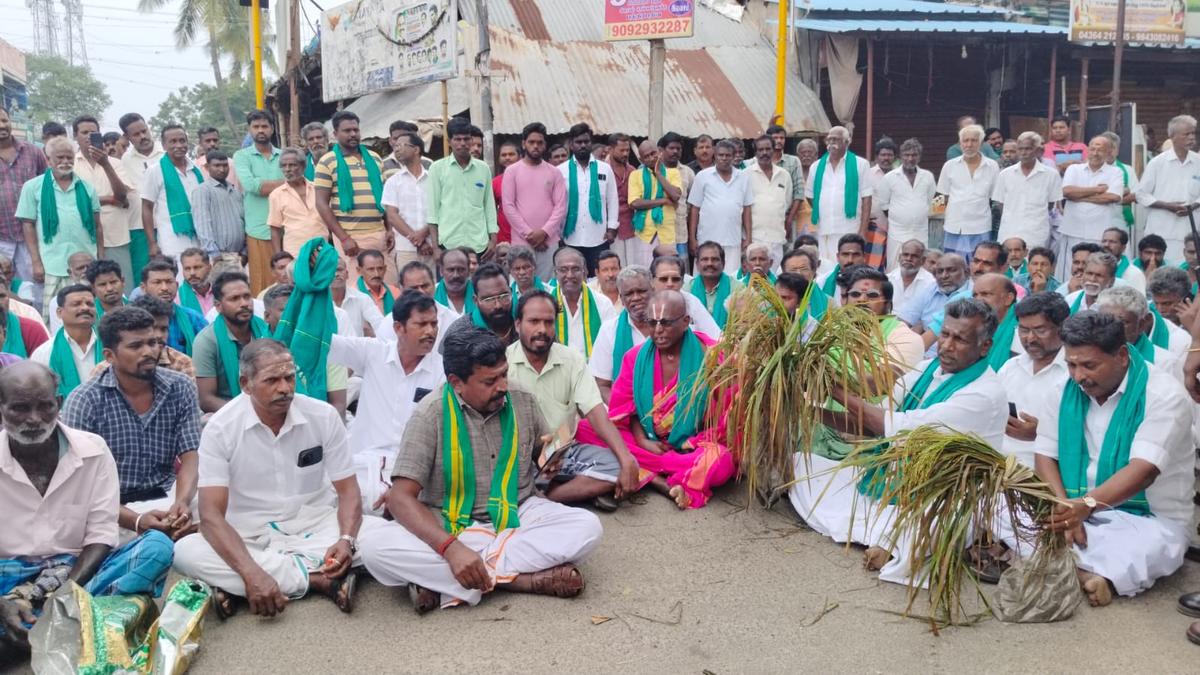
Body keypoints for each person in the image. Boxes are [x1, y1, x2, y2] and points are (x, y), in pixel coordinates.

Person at [359, 324, 602, 612]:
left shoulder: (521, 398)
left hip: (518, 511)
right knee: (374, 549)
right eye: (489, 381)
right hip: (450, 522)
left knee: (588, 527)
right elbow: (400, 498)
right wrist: (450, 548)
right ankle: (520, 580)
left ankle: (449, 581)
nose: (502, 386)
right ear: (456, 382)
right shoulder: (429, 415)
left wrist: (549, 459)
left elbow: (539, 451)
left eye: (504, 374)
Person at [792, 298, 1006, 583]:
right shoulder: (928, 368)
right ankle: (885, 538)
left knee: (927, 525)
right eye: (944, 334)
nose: (946, 345)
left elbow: (892, 425)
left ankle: (893, 542)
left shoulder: (984, 394)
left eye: (960, 339)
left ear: (985, 347)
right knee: (800, 467)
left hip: (946, 489)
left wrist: (835, 391)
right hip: (899, 473)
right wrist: (812, 411)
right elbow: (877, 424)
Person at [174, 339, 384, 617]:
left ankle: (243, 584)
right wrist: (250, 571)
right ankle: (318, 579)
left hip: (317, 525)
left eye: (289, 377)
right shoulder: (221, 428)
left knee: (381, 537)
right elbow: (211, 515)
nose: (284, 388)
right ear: (245, 384)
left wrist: (346, 539)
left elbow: (348, 491)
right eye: (272, 380)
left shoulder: (322, 416)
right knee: (186, 551)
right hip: (248, 534)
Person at [0, 362, 173, 663]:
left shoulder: (93, 450)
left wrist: (63, 594)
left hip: (77, 571)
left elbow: (101, 535)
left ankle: (34, 630)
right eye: (20, 408)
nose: (34, 419)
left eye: (44, 406)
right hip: (8, 575)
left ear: (59, 404)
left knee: (156, 548)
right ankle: (78, 625)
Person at [1028, 312, 1193, 606]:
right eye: (1071, 364)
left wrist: (1086, 506)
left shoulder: (1164, 395)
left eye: (1089, 365)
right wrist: (1065, 508)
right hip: (1073, 505)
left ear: (1121, 356)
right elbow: (1045, 453)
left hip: (1144, 518)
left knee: (1152, 547)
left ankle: (1059, 562)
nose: (1079, 376)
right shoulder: (1062, 390)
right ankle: (1085, 573)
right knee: (1002, 508)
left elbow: (1144, 471)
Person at [63, 305, 200, 542]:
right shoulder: (84, 400)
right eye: (136, 346)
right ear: (109, 356)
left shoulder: (180, 387)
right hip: (110, 508)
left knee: (218, 512)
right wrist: (135, 520)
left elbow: (190, 455)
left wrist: (181, 503)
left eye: (153, 342)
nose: (149, 351)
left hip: (166, 497)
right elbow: (79, 485)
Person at [507, 291, 638, 511]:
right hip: (519, 456)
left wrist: (626, 459)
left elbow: (595, 412)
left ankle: (545, 500)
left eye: (549, 322)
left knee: (618, 465)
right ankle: (568, 492)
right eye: (534, 321)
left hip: (562, 452)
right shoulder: (504, 363)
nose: (542, 329)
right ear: (518, 324)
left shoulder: (571, 359)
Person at [604, 290, 732, 509]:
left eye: (665, 322)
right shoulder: (634, 357)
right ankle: (661, 480)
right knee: (589, 429)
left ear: (686, 322)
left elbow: (724, 416)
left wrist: (691, 442)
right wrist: (643, 440)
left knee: (722, 461)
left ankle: (644, 470)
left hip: (693, 444)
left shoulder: (713, 356)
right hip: (648, 442)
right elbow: (627, 410)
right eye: (652, 323)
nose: (658, 330)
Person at [328, 289, 443, 515]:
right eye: (421, 324)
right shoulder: (373, 353)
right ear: (398, 328)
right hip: (362, 468)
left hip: (412, 475)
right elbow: (317, 342)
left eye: (434, 324)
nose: (431, 331)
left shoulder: (444, 371)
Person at [14, 136, 102, 318]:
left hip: (85, 263)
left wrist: (100, 256)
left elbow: (98, 226)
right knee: (55, 316)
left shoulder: (86, 188)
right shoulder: (33, 187)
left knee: (88, 313)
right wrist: (36, 262)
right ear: (48, 160)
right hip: (52, 263)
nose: (65, 162)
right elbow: (28, 225)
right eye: (60, 158)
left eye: (69, 157)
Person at [314, 111, 390, 285]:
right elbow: (321, 204)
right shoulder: (327, 162)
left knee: (387, 285)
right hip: (351, 238)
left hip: (380, 235)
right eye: (347, 131)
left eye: (355, 130)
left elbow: (386, 199)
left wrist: (389, 229)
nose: (353, 134)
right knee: (357, 289)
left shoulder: (375, 159)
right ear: (335, 134)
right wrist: (344, 238)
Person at [997, 292, 1071, 468]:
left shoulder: (1074, 373)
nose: (1030, 338)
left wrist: (1040, 434)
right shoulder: (1010, 367)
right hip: (998, 464)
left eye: (1040, 330)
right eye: (1023, 330)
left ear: (1062, 328)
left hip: (1045, 473)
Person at [72, 115, 133, 290]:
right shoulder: (71, 165)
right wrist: (107, 199)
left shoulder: (115, 163)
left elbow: (121, 197)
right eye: (84, 132)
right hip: (83, 236)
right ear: (76, 136)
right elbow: (73, 201)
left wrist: (105, 164)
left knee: (120, 287)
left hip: (115, 234)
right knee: (85, 288)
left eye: (94, 132)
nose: (89, 136)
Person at [193, 271, 268, 412]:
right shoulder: (206, 341)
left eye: (247, 297)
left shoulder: (266, 331)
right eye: (234, 299)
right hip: (230, 415)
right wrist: (251, 412)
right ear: (218, 306)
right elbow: (206, 399)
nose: (244, 304)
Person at [426, 118, 498, 260]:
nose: (462, 143)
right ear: (449, 141)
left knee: (479, 282)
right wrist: (435, 248)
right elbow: (432, 212)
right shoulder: (437, 168)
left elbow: (489, 207)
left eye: (466, 139)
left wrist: (493, 240)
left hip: (479, 244)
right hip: (448, 243)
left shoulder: (483, 169)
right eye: (457, 139)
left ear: (471, 140)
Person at [502, 122, 566, 280]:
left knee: (549, 285)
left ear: (545, 145)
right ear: (523, 144)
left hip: (549, 242)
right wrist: (530, 235)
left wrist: (544, 233)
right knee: (520, 284)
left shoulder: (554, 172)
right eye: (531, 142)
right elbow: (508, 206)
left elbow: (560, 206)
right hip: (521, 241)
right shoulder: (512, 171)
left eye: (540, 142)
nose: (535, 146)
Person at [230, 111, 283, 293]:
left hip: (287, 229)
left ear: (272, 129)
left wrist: (267, 186)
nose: (261, 130)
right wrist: (286, 184)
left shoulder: (284, 156)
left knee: (289, 280)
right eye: (256, 127)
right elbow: (251, 186)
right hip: (258, 230)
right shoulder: (242, 156)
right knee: (262, 286)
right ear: (249, 130)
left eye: (265, 126)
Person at [1137, 115, 1200, 264]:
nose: (1192, 138)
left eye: (1193, 133)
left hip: (1191, 229)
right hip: (1162, 230)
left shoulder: (1198, 161)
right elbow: (1141, 195)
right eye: (1186, 134)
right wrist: (1167, 206)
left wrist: (1194, 205)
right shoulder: (1157, 162)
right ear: (1172, 136)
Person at [1058, 135, 1123, 279]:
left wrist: (1079, 195)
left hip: (1099, 232)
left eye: (1100, 150)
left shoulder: (1115, 172)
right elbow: (1066, 192)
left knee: (1096, 269)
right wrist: (1096, 190)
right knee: (1069, 270)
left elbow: (1113, 197)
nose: (1095, 153)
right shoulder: (1074, 169)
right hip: (1073, 229)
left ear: (1108, 152)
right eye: (1092, 148)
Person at [558, 123, 618, 276]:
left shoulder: (605, 169)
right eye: (579, 142)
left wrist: (611, 228)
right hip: (570, 238)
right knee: (573, 278)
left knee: (599, 279)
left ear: (591, 143)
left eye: (586, 141)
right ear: (571, 145)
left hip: (598, 237)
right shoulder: (561, 171)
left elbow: (612, 199)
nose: (583, 145)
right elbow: (557, 204)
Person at [805, 126, 872, 260]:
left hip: (849, 227)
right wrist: (824, 209)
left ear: (847, 142)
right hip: (825, 228)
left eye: (835, 139)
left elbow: (867, 198)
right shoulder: (816, 166)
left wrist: (863, 231)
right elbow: (810, 196)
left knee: (848, 266)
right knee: (826, 266)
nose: (831, 143)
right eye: (829, 139)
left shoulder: (861, 164)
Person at [589, 266, 653, 402]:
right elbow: (601, 385)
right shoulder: (609, 330)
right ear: (622, 299)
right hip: (625, 413)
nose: (636, 298)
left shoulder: (668, 324)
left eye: (641, 291)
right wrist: (624, 412)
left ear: (653, 291)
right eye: (629, 294)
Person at [937, 124, 1000, 260]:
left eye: (974, 140)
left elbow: (995, 197)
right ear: (960, 143)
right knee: (953, 265)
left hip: (981, 226)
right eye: (965, 141)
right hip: (954, 226)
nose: (969, 144)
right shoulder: (950, 166)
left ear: (981, 143)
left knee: (980, 264)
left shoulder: (992, 166)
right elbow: (941, 196)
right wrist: (937, 220)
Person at [140, 125, 202, 260]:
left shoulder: (196, 170)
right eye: (173, 142)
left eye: (182, 140)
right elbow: (146, 207)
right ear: (163, 145)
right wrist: (152, 243)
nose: (179, 145)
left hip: (200, 236)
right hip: (172, 239)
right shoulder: (155, 171)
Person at [844, 266, 924, 370]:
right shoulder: (832, 330)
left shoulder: (906, 339)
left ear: (887, 304)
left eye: (872, 295)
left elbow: (879, 382)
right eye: (855, 294)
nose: (862, 299)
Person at [992, 131, 1062, 248]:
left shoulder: (1051, 174)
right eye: (1020, 149)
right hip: (1009, 232)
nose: (1024, 153)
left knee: (1036, 265)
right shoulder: (1005, 174)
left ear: (1038, 150)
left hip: (1037, 233)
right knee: (1009, 264)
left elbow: (1050, 204)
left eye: (1028, 149)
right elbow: (1000, 204)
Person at [876, 138, 936, 271]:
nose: (910, 158)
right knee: (894, 268)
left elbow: (929, 199)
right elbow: (884, 204)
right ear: (901, 156)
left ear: (919, 157)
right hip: (897, 233)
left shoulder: (927, 177)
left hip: (920, 232)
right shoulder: (890, 177)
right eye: (907, 155)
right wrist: (901, 216)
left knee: (921, 269)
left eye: (914, 155)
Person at [30, 284, 100, 396]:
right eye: (76, 304)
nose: (85, 308)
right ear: (59, 312)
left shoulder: (111, 344)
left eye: (90, 304)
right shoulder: (44, 352)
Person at [117, 114, 162, 283]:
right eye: (136, 134)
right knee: (143, 276)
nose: (143, 137)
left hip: (167, 225)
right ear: (127, 137)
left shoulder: (165, 154)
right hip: (137, 228)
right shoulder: (123, 161)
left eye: (144, 131)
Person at [382, 130, 433, 271]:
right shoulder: (393, 181)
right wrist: (418, 241)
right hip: (405, 247)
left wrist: (424, 233)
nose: (396, 149)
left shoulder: (434, 179)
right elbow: (392, 215)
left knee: (433, 287)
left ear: (416, 149)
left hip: (432, 246)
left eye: (401, 145)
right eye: (395, 146)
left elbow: (441, 210)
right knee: (409, 289)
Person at [552, 247, 615, 357]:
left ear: (585, 271)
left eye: (575, 269)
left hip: (593, 371)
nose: (570, 275)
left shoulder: (603, 303)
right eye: (563, 270)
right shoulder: (545, 303)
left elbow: (612, 343)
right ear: (555, 273)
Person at [898, 252, 971, 348]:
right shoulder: (930, 289)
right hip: (922, 352)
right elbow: (903, 320)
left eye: (951, 270)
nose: (944, 276)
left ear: (966, 272)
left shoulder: (973, 294)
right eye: (940, 271)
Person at [627, 139, 681, 267]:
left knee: (668, 268)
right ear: (641, 160)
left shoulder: (673, 173)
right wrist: (663, 200)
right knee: (646, 271)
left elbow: (675, 195)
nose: (651, 158)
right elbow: (634, 203)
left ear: (659, 152)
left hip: (666, 232)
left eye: (653, 153)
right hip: (645, 233)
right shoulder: (635, 175)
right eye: (647, 156)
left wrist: (658, 174)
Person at [140, 258, 207, 355]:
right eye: (157, 282)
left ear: (176, 285)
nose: (164, 288)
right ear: (143, 288)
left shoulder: (193, 319)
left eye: (169, 282)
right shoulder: (132, 321)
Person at [268, 148, 323, 258]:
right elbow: (275, 229)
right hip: (295, 253)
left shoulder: (318, 189)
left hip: (322, 250)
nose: (287, 169)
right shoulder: (276, 195)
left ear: (303, 166)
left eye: (292, 165)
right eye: (283, 166)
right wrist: (279, 257)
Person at [746, 135, 792, 268]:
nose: (764, 153)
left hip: (777, 238)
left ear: (773, 150)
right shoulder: (746, 175)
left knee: (775, 280)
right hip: (754, 239)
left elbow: (786, 203)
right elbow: (742, 209)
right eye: (760, 150)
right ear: (755, 152)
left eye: (767, 149)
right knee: (755, 280)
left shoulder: (784, 175)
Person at [649, 255, 722, 337]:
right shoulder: (643, 302)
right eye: (664, 279)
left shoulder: (691, 302)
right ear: (652, 281)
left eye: (675, 279)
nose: (670, 284)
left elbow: (716, 337)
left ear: (683, 282)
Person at [192, 150, 246, 260]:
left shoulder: (235, 191)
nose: (222, 170)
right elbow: (202, 224)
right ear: (207, 167)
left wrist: (245, 252)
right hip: (217, 255)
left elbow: (243, 220)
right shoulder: (202, 190)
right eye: (217, 166)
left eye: (225, 165)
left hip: (238, 255)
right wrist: (213, 253)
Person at [689, 241, 743, 330]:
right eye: (705, 259)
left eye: (715, 259)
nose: (709, 263)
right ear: (697, 264)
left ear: (723, 264)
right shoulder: (687, 289)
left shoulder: (738, 289)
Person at [972, 273, 1022, 368]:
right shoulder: (977, 325)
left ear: (1008, 298)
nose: (977, 300)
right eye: (975, 295)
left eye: (985, 294)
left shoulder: (1022, 328)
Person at [766, 125, 805, 234]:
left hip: (786, 217)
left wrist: (789, 220)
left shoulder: (793, 161)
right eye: (775, 138)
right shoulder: (759, 163)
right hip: (763, 218)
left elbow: (799, 193)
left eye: (782, 138)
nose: (779, 141)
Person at [1146, 267, 1194, 355]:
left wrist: (1192, 329)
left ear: (1184, 299)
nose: (1160, 309)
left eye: (1167, 303)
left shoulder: (1196, 319)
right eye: (1156, 303)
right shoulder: (1146, 316)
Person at [887, 239, 935, 318]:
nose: (909, 259)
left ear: (923, 260)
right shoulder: (887, 279)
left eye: (914, 256)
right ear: (899, 257)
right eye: (905, 255)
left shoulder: (931, 283)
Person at [816, 233, 866, 300]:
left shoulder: (876, 282)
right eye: (845, 254)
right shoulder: (821, 282)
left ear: (864, 257)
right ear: (838, 257)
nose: (850, 260)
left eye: (856, 255)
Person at [1098, 226, 1146, 292]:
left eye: (1112, 242)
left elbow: (1140, 301)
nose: (1106, 245)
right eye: (1104, 241)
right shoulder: (1093, 270)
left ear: (1123, 247)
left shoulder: (1134, 274)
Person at [355, 249, 400, 315]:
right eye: (371, 269)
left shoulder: (394, 292)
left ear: (385, 269)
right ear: (359, 270)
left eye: (380, 269)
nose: (377, 274)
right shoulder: (353, 295)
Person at [493, 141, 520, 244]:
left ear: (520, 156)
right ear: (499, 159)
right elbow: (491, 211)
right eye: (503, 155)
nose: (507, 157)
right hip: (503, 240)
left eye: (511, 154)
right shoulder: (495, 182)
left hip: (528, 237)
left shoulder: (529, 178)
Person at [175, 247, 215, 318]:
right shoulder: (177, 297)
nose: (192, 273)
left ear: (209, 268)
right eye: (187, 269)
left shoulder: (221, 291)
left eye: (197, 267)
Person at [433, 247, 473, 316]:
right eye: (451, 270)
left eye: (461, 270)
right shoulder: (431, 294)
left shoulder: (480, 294)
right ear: (441, 271)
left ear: (469, 271)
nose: (456, 275)